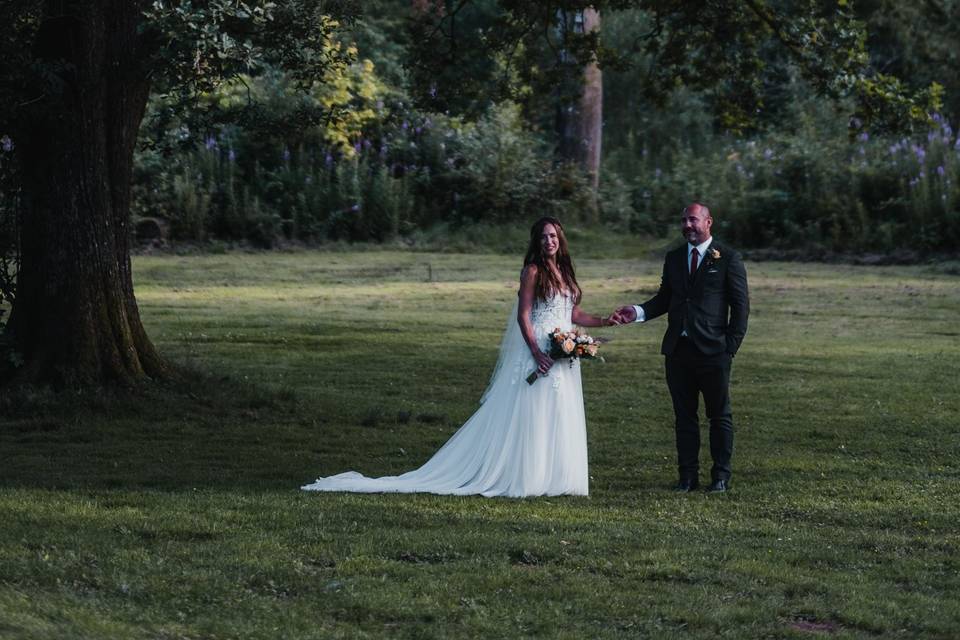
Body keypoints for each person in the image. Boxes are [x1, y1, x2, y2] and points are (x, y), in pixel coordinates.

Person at [302, 216, 613, 497]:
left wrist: (602, 322)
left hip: (563, 351)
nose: (549, 241)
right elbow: (523, 316)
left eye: (554, 236)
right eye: (544, 237)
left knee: (556, 411)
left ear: (561, 240)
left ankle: (554, 478)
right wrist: (535, 351)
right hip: (539, 350)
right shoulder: (532, 271)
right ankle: (525, 476)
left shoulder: (565, 272)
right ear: (536, 241)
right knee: (529, 412)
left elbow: (573, 314)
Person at [612, 203, 749, 493]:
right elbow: (665, 299)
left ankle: (720, 477)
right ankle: (687, 477)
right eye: (684, 220)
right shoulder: (674, 258)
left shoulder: (728, 258)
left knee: (719, 415)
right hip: (678, 351)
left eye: (693, 220)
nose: (687, 225)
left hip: (714, 351)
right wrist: (636, 312)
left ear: (708, 222)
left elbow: (740, 308)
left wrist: (730, 347)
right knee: (684, 417)